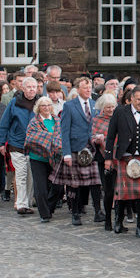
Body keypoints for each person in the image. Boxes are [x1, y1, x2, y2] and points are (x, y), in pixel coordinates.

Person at [105, 85, 140, 237]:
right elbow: (111, 135)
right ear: (131, 98)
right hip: (125, 157)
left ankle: (139, 227)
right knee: (122, 193)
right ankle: (118, 223)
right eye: (139, 99)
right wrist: (108, 158)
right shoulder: (120, 111)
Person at [55, 77, 102, 226]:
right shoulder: (69, 106)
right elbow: (64, 131)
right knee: (73, 184)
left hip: (92, 149)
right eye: (85, 88)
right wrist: (66, 153)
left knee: (95, 182)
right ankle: (75, 213)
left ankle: (98, 211)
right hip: (75, 149)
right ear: (78, 89)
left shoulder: (95, 105)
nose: (89, 90)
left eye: (90, 88)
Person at [0, 77, 38, 216]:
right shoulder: (15, 102)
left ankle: (28, 201)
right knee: (20, 174)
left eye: (34, 87)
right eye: (29, 87)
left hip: (35, 145)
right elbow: (5, 122)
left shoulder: (41, 102)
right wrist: (1, 142)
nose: (32, 89)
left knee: (31, 175)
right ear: (23, 89)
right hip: (17, 143)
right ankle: (21, 204)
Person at [24, 96, 63, 223]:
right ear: (38, 108)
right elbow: (31, 138)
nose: (46, 108)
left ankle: (49, 207)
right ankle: (44, 214)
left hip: (55, 158)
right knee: (41, 188)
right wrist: (50, 138)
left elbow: (61, 137)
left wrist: (52, 140)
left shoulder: (57, 121)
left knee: (58, 187)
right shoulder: (34, 122)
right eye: (43, 105)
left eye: (48, 105)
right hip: (38, 158)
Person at [91, 92, 117, 230]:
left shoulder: (118, 118)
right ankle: (107, 218)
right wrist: (97, 139)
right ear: (102, 107)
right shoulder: (97, 120)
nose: (110, 110)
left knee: (118, 188)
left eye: (112, 107)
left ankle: (119, 218)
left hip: (117, 156)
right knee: (108, 189)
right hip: (103, 158)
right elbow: (92, 136)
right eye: (108, 107)